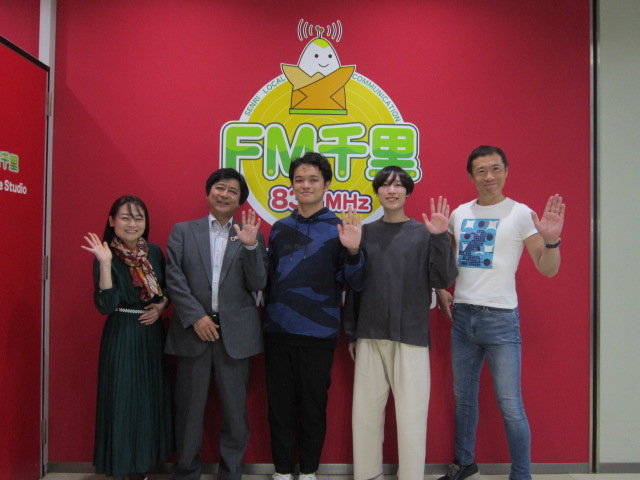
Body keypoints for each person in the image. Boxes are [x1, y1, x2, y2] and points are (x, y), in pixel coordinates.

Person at [437, 146, 565, 480]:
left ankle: (521, 474)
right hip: (463, 316)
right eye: (481, 171)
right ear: (471, 176)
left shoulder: (520, 214)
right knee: (463, 399)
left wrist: (552, 242)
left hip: (501, 320)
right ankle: (465, 463)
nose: (489, 176)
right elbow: (446, 265)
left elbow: (547, 268)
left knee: (510, 403)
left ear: (506, 171)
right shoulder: (459, 214)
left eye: (495, 168)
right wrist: (440, 290)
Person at [344, 166, 458, 480]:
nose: (391, 190)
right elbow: (354, 287)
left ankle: (410, 475)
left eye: (397, 185)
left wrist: (440, 238)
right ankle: (367, 474)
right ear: (377, 191)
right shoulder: (364, 232)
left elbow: (442, 279)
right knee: (365, 414)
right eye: (385, 185)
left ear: (408, 192)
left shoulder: (425, 232)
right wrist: (352, 332)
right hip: (370, 331)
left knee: (412, 416)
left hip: (411, 334)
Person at [263, 151, 365, 480]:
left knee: (313, 408)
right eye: (299, 180)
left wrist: (354, 251)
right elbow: (266, 280)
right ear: (292, 185)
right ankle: (282, 471)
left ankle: (308, 471)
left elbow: (356, 282)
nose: (305, 185)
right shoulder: (279, 228)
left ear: (326, 184)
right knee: (279, 408)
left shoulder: (340, 229)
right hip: (277, 331)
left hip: (319, 333)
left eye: (313, 180)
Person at [165, 168, 267, 480]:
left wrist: (250, 247)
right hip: (193, 331)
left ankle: (231, 472)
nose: (224, 195)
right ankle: (186, 472)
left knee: (235, 412)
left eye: (232, 191)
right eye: (220, 188)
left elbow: (258, 282)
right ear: (208, 192)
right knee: (189, 411)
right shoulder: (184, 231)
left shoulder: (250, 235)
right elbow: (174, 277)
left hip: (235, 336)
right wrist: (196, 317)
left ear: (240, 200)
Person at [82, 195, 172, 480]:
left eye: (138, 218)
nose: (132, 224)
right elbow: (106, 305)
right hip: (122, 334)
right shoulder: (105, 253)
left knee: (148, 401)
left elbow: (166, 291)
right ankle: (122, 466)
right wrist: (105, 264)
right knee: (123, 400)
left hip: (151, 336)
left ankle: (142, 467)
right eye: (125, 217)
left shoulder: (153, 252)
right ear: (112, 221)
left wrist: (161, 307)